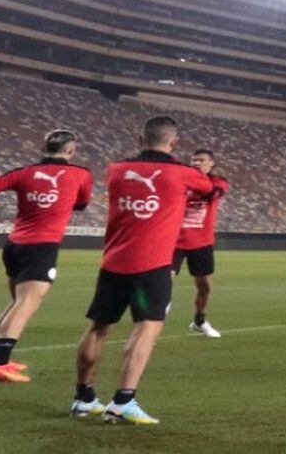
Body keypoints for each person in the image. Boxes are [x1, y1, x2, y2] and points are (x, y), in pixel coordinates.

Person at [73, 116, 216, 424]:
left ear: (140, 139)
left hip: (112, 263)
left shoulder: (116, 170)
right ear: (174, 143)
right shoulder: (181, 173)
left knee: (97, 327)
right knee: (147, 328)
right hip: (151, 266)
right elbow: (208, 189)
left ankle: (84, 398)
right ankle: (124, 400)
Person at [0, 129, 92, 383]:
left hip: (14, 245)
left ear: (44, 147)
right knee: (27, 303)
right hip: (42, 247)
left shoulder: (22, 173)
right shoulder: (80, 174)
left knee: (17, 302)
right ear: (70, 151)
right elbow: (82, 204)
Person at [169, 147, 230, 338]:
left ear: (211, 164)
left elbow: (215, 193)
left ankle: (199, 321)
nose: (196, 163)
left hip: (202, 243)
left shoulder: (218, 181)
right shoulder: (181, 180)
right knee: (164, 280)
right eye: (193, 160)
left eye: (201, 160)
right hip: (174, 242)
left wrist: (190, 191)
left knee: (205, 287)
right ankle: (152, 323)